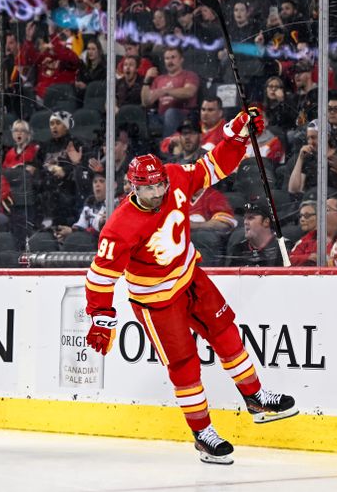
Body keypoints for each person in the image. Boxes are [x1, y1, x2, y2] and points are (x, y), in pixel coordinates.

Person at [84, 108, 296, 465]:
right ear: (132, 187)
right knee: (184, 364)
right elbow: (101, 276)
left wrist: (238, 135)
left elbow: (215, 166)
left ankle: (257, 398)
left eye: (158, 185)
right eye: (146, 188)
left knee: (226, 331)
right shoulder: (119, 226)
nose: (155, 192)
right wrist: (101, 317)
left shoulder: (177, 176)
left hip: (190, 276)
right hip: (155, 301)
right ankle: (203, 434)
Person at [227, 198, 287, 267]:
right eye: (244, 218)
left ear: (266, 222)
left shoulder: (283, 248)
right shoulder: (239, 250)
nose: (245, 222)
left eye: (250, 218)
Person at [289, 200, 318, 266]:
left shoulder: (331, 237)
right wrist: (308, 257)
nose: (302, 219)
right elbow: (290, 259)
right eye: (300, 216)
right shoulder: (302, 241)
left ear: (319, 216)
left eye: (306, 215)